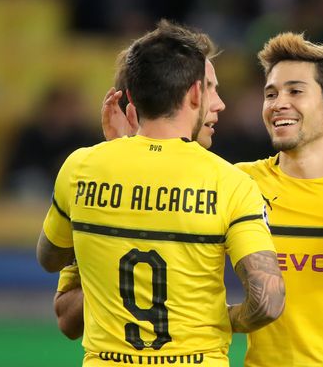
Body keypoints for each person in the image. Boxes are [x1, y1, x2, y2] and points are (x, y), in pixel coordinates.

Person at [55, 32, 323, 366]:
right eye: (270, 93)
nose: (278, 103)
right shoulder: (235, 182)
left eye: (295, 91)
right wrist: (124, 153)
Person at [37, 20, 285, 367]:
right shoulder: (229, 182)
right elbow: (268, 301)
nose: (221, 104)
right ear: (195, 93)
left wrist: (116, 157)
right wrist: (219, 318)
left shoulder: (81, 167)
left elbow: (50, 260)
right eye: (211, 89)